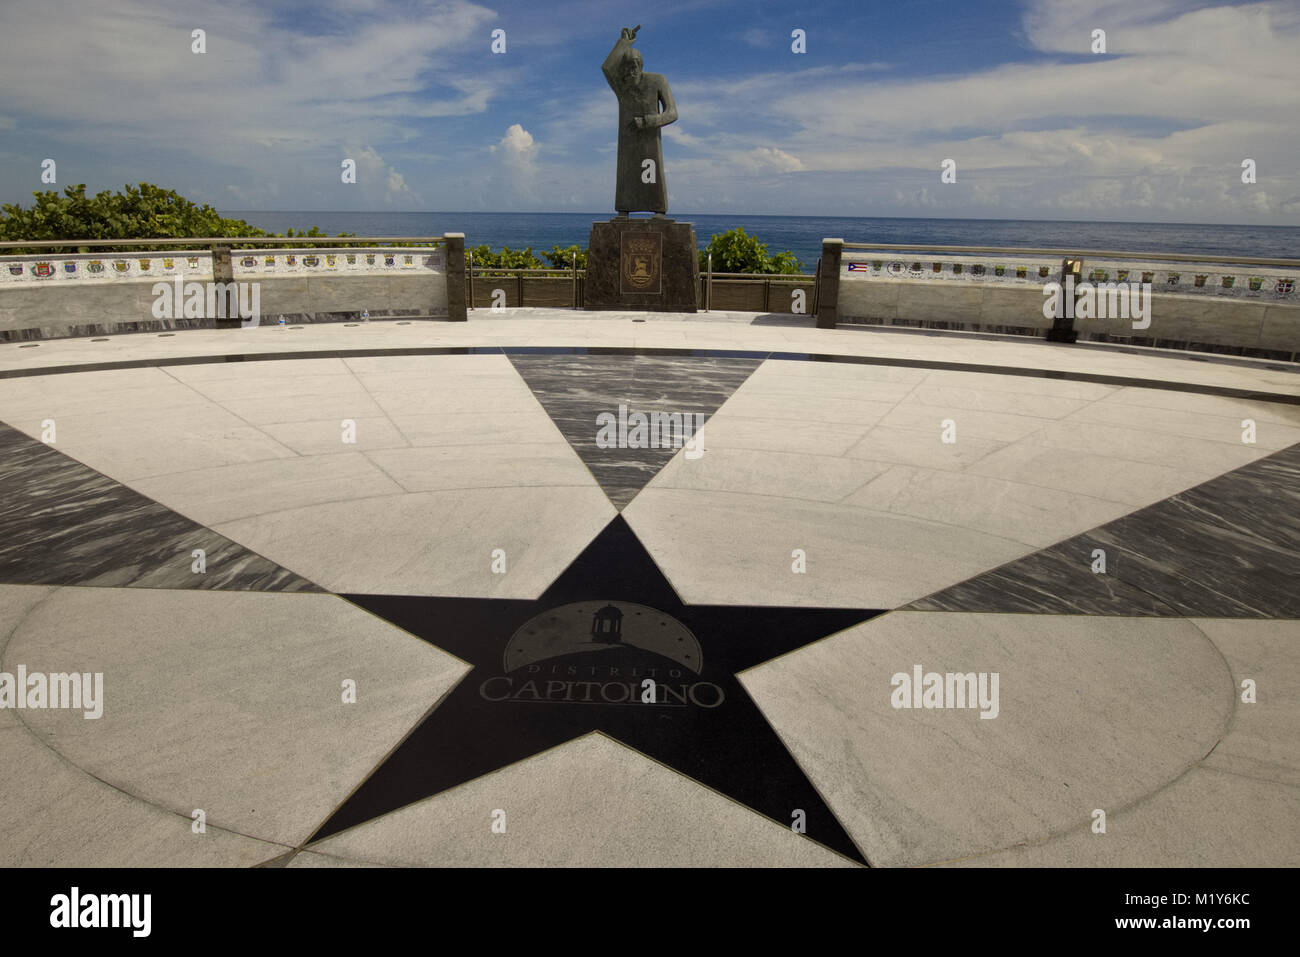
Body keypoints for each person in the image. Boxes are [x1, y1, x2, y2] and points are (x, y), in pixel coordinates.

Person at [601, 25, 678, 217]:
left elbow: (672, 113)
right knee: (627, 176)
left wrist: (647, 122)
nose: (630, 72)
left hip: (649, 140)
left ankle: (658, 209)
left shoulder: (657, 81)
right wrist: (624, 43)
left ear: (641, 66)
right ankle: (624, 208)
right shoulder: (623, 87)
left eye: (634, 67)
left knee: (651, 176)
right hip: (627, 142)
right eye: (626, 68)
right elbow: (607, 67)